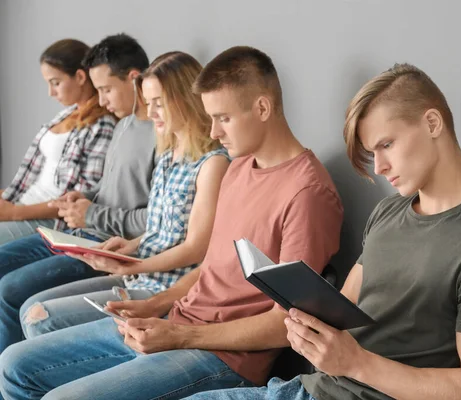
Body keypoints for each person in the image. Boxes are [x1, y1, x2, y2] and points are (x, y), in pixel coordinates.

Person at [0, 45, 344, 400]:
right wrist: (154, 305)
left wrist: (179, 336)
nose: (214, 132)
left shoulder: (308, 193)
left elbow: (282, 324)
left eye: (223, 118)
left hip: (222, 358)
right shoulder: (241, 166)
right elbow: (212, 266)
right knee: (13, 364)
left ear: (261, 108)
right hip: (177, 324)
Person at [186, 63, 461, 400]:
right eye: (373, 152)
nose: (380, 167)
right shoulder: (388, 212)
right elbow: (342, 307)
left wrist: (355, 363)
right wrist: (303, 323)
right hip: (311, 388)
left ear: (432, 123)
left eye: (387, 145)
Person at [20, 51, 229, 338]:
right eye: (148, 102)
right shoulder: (169, 155)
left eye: (159, 103)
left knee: (39, 319)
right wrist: (130, 246)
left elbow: (196, 247)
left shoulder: (213, 163)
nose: (151, 112)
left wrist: (133, 263)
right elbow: (163, 228)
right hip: (141, 276)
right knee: (31, 308)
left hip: (164, 289)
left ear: (187, 99)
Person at [0, 33, 154, 354]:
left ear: (134, 79)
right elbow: (110, 189)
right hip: (81, 234)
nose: (99, 100)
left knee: (10, 289)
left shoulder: (157, 134)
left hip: (106, 247)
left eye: (106, 89)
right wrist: (83, 196)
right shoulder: (125, 125)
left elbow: (157, 218)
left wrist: (91, 213)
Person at [0, 38, 116, 245]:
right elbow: (38, 177)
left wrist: (15, 213)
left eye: (55, 83)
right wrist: (8, 198)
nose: (50, 92)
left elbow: (81, 198)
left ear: (80, 76)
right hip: (22, 203)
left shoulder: (102, 126)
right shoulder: (65, 115)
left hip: (46, 219)